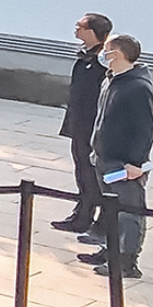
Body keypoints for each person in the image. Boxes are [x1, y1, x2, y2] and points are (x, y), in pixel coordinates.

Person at [80, 35, 153, 279]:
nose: (102, 54)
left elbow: (145, 129)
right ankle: (109, 250)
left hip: (123, 163)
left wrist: (136, 163)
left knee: (128, 211)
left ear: (118, 53)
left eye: (107, 50)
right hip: (104, 157)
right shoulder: (111, 79)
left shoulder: (137, 87)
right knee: (110, 208)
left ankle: (127, 260)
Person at [50, 13, 114, 236]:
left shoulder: (103, 60)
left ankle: (91, 217)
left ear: (93, 32)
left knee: (91, 173)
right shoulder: (86, 56)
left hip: (92, 126)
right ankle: (81, 211)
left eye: (80, 26)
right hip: (79, 123)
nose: (76, 28)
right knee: (82, 169)